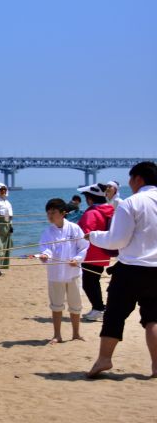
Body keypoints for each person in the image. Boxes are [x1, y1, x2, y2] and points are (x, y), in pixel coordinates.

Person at [86, 162, 157, 378]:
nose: (129, 183)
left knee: (115, 315)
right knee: (154, 318)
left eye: (130, 179)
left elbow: (118, 240)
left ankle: (104, 359)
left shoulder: (131, 203)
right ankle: (156, 366)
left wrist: (93, 236)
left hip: (131, 269)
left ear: (138, 179)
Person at [34, 198, 89, 344]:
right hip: (55, 273)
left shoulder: (74, 228)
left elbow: (83, 246)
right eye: (48, 212)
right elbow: (46, 248)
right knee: (56, 305)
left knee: (75, 305)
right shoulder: (48, 231)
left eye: (53, 212)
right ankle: (57, 335)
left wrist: (77, 259)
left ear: (63, 213)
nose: (50, 215)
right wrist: (45, 255)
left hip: (73, 273)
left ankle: (76, 333)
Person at [76, 183, 116, 322]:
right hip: (104, 252)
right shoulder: (110, 210)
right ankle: (98, 308)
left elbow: (84, 234)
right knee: (93, 281)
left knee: (88, 282)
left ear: (90, 199)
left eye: (87, 197)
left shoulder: (92, 212)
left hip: (91, 253)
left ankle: (98, 308)